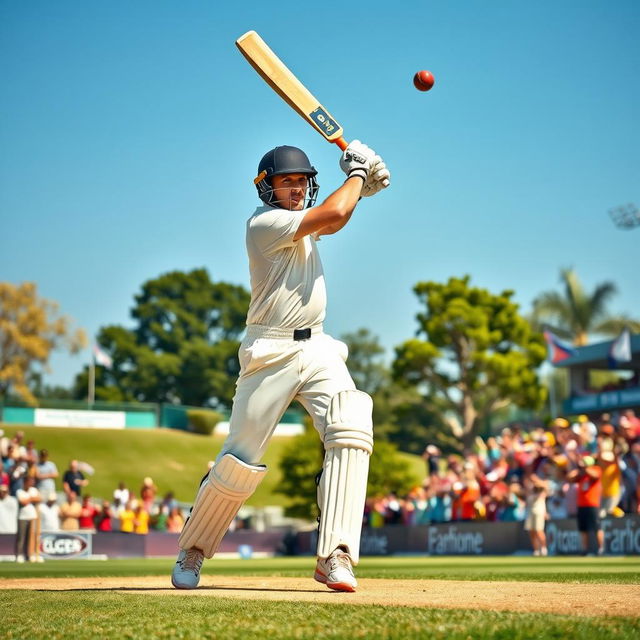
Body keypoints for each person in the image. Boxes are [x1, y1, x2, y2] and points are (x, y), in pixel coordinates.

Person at [171, 141, 390, 592]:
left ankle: (336, 555)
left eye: (300, 182)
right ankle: (193, 549)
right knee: (239, 461)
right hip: (269, 352)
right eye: (284, 182)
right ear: (266, 189)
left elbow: (336, 215)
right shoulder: (264, 224)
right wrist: (356, 174)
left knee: (351, 427)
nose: (293, 189)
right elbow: (332, 215)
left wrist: (361, 187)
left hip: (320, 347)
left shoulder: (306, 224)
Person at [568, 455, 604, 555]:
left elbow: (594, 475)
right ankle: (585, 550)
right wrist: (578, 469)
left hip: (592, 504)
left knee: (597, 527)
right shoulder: (581, 475)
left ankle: (601, 549)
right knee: (583, 529)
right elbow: (569, 478)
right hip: (581, 505)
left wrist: (585, 467)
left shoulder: (596, 469)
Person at [15, 476, 41, 562]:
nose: (31, 483)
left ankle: (30, 554)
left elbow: (39, 498)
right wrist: (31, 498)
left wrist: (29, 499)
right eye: (29, 481)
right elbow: (23, 502)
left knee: (31, 537)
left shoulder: (34, 490)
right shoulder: (19, 491)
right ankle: (19, 555)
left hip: (32, 516)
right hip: (22, 517)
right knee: (21, 537)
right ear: (25, 482)